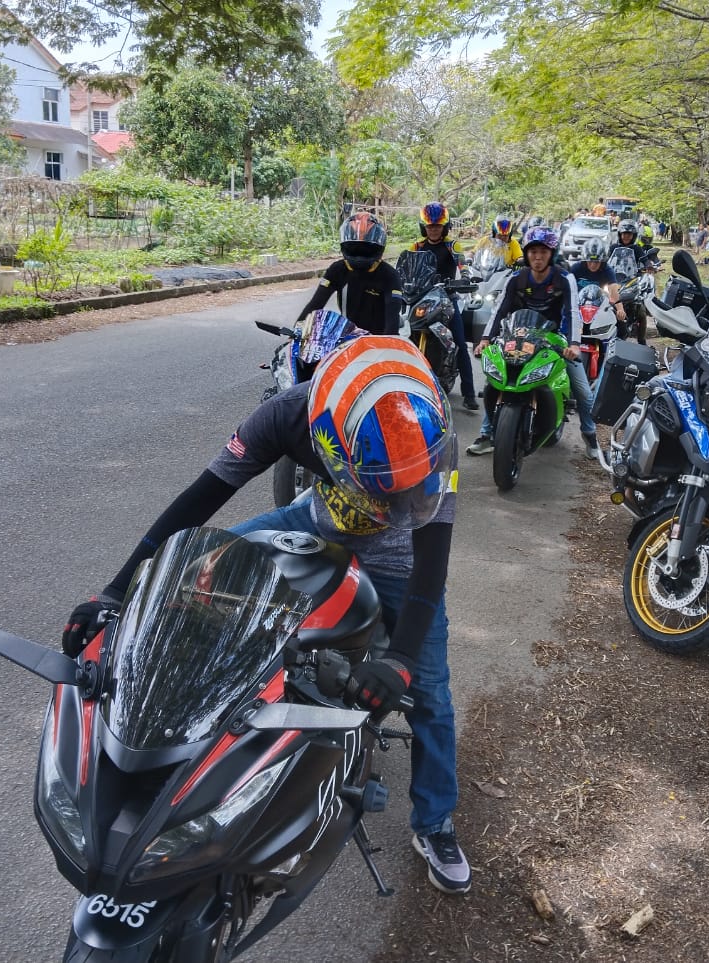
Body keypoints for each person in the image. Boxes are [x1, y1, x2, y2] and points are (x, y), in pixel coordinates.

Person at [61, 335, 474, 895]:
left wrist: (400, 660)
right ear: (326, 434)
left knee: (429, 693)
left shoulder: (432, 437)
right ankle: (174, 732)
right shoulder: (282, 415)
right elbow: (197, 504)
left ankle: (436, 822)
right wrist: (119, 592)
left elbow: (432, 557)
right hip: (315, 523)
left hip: (403, 560)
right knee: (189, 575)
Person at [465, 226, 599, 459]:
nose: (538, 257)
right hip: (518, 336)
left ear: (552, 254)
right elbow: (499, 310)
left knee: (584, 393)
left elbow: (573, 312)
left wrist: (574, 344)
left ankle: (590, 437)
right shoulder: (516, 278)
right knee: (499, 381)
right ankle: (487, 435)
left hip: (556, 339)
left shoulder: (565, 278)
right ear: (526, 254)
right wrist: (486, 339)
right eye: (533, 252)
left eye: (543, 252)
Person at [413, 202, 479, 411]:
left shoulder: (452, 246)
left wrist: (465, 277)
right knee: (407, 337)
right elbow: (404, 268)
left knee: (459, 342)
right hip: (422, 299)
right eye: (430, 226)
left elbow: (463, 264)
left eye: (438, 226)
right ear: (424, 227)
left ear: (445, 227)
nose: (433, 229)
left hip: (447, 300)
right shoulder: (416, 247)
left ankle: (469, 394)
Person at [296, 212, 403, 335]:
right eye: (355, 247)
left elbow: (392, 313)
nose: (360, 253)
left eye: (365, 249)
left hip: (378, 340)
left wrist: (389, 341)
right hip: (346, 338)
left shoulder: (389, 275)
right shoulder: (337, 270)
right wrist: (298, 331)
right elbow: (316, 303)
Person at [570, 237, 626, 337]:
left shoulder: (607, 270)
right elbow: (566, 286)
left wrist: (620, 309)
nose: (593, 265)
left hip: (598, 305)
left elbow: (613, 290)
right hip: (577, 304)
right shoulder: (576, 268)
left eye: (596, 262)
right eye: (590, 261)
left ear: (603, 261)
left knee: (621, 324)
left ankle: (615, 346)